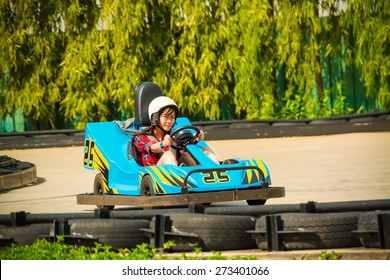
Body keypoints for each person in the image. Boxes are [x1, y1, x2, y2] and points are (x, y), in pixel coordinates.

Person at [134, 96, 219, 166]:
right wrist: (163, 144)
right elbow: (152, 148)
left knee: (204, 150)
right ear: (155, 118)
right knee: (168, 154)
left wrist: (196, 139)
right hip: (155, 174)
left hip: (177, 170)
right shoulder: (141, 137)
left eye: (172, 117)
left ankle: (218, 172)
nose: (169, 121)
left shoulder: (175, 135)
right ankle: (177, 181)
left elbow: (184, 149)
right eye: (166, 117)